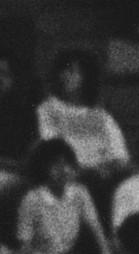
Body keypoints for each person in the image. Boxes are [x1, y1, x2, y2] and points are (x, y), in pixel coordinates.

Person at [14, 138, 110, 254]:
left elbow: (96, 230)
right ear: (42, 169)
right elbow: (24, 248)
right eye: (55, 165)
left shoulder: (80, 193)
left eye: (67, 164)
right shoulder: (32, 200)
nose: (63, 170)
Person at [35, 50, 129, 186]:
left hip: (104, 180)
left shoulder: (102, 116)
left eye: (73, 72)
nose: (65, 76)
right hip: (67, 181)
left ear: (87, 77)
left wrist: (109, 168)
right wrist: (86, 171)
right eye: (63, 71)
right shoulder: (47, 110)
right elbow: (52, 149)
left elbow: (120, 155)